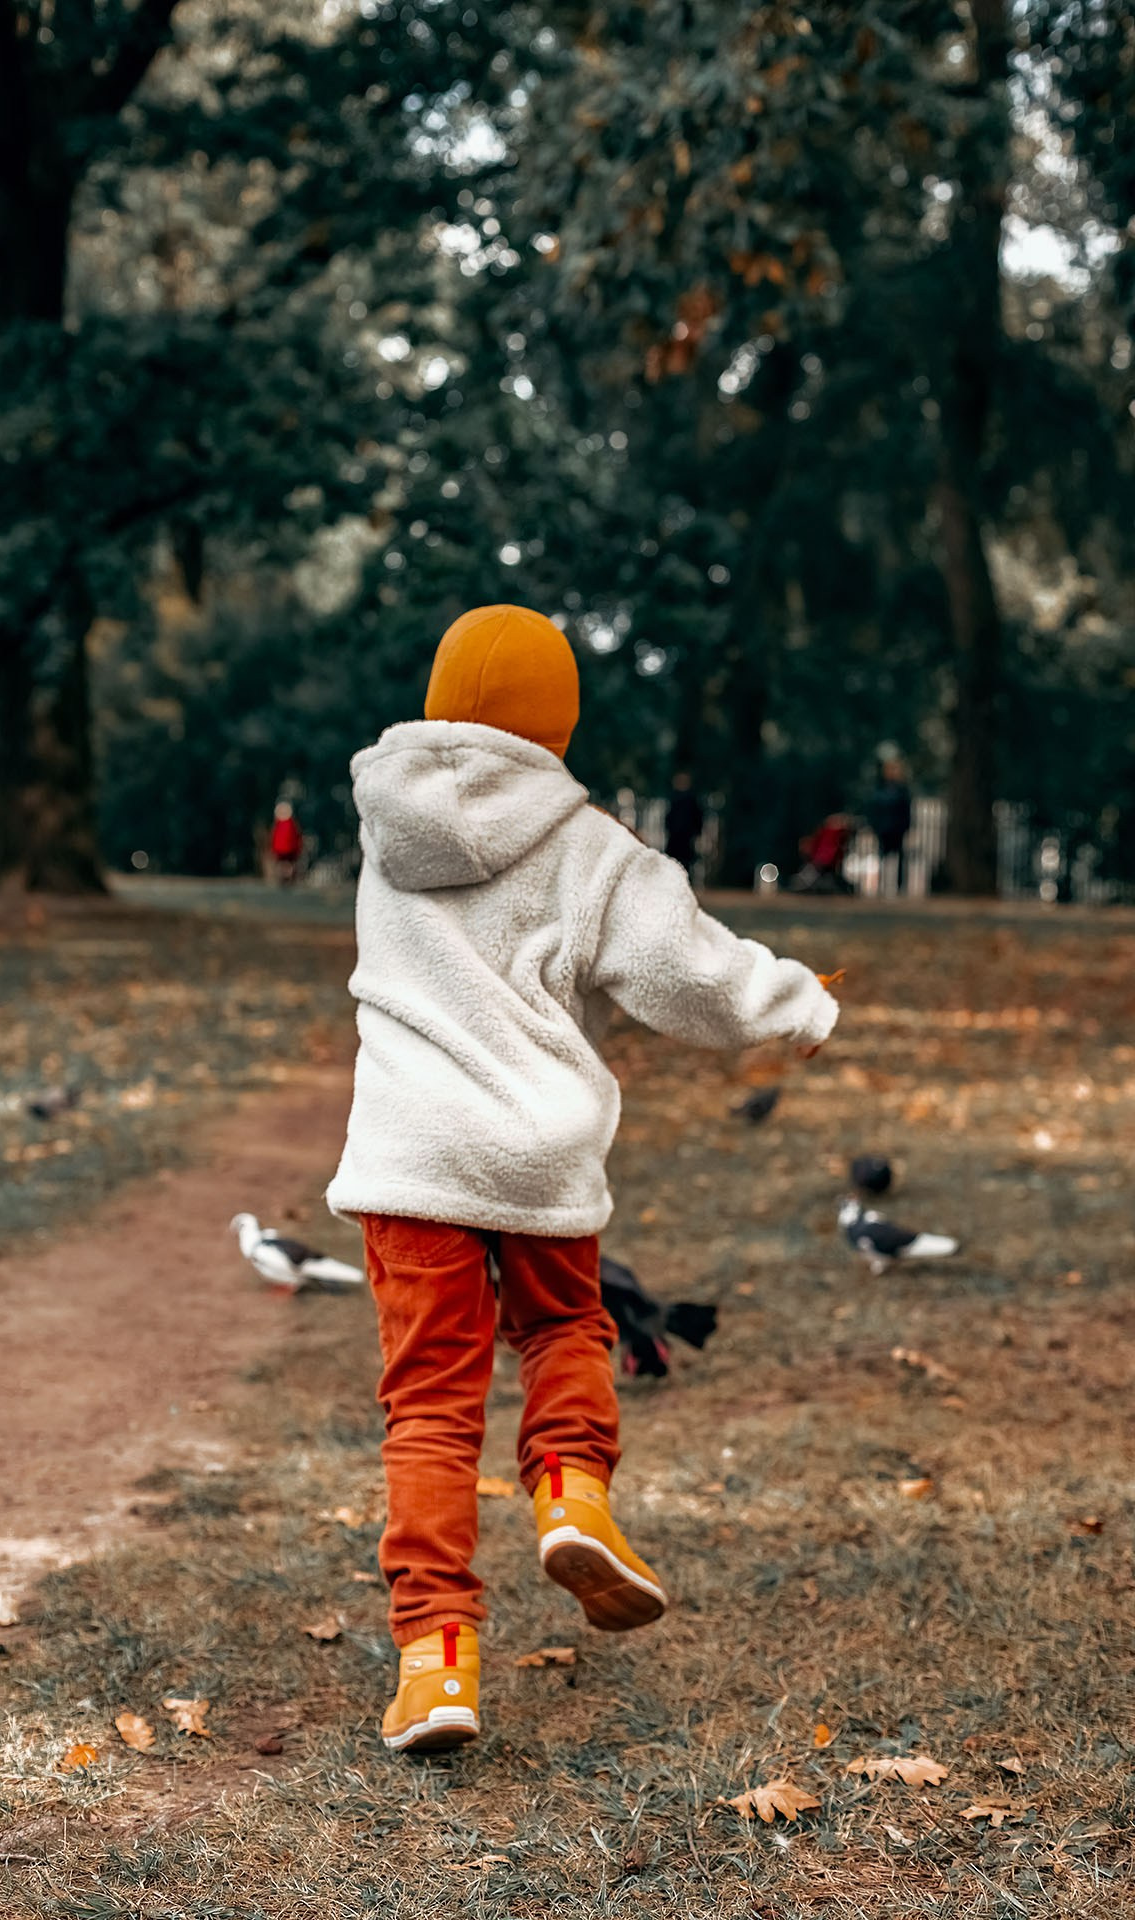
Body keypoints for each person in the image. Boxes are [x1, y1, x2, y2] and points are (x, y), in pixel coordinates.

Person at [326, 603, 839, 1754]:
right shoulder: (587, 844)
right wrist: (795, 1005)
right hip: (536, 1149)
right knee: (562, 1329)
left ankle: (436, 1662)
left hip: (411, 1157)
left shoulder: (387, 819)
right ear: (557, 723)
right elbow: (684, 970)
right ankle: (568, 1490)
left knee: (428, 1406)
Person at [867, 754, 912, 897]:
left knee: (900, 858)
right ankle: (879, 885)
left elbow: (906, 811)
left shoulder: (902, 790)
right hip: (884, 828)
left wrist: (906, 827)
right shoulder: (880, 789)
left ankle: (899, 887)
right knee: (881, 856)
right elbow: (874, 810)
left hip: (897, 828)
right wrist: (875, 826)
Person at [790, 812, 856, 894]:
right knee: (813, 875)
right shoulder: (829, 833)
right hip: (823, 861)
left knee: (812, 874)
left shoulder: (831, 832)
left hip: (822, 861)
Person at [664, 770, 704, 876]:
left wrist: (697, 832)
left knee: (684, 861)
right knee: (675, 860)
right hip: (676, 836)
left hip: (686, 836)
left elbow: (697, 817)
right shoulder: (674, 798)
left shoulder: (691, 799)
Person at [269, 800, 303, 884]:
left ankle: (284, 877)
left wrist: (274, 849)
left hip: (281, 850)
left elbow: (274, 838)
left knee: (283, 863)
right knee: (289, 863)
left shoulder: (278, 824)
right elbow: (297, 837)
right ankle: (287, 877)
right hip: (290, 850)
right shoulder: (292, 824)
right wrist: (297, 849)